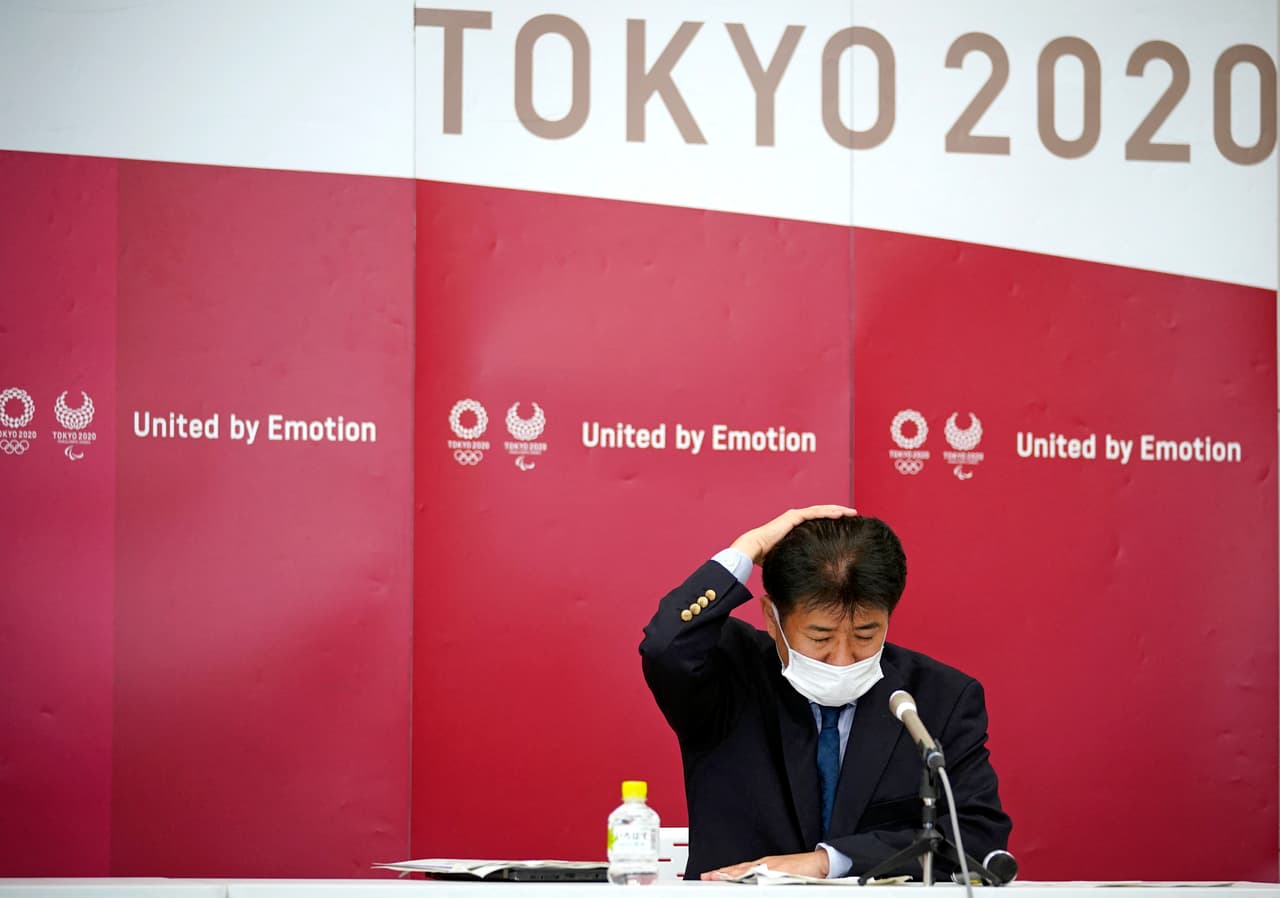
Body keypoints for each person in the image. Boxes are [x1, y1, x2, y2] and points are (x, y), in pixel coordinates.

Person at [639, 505, 1011, 881]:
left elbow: (979, 834)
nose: (842, 659)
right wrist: (749, 547)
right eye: (820, 637)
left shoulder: (937, 699)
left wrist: (828, 862)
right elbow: (665, 647)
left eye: (866, 635)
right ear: (772, 618)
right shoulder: (729, 673)